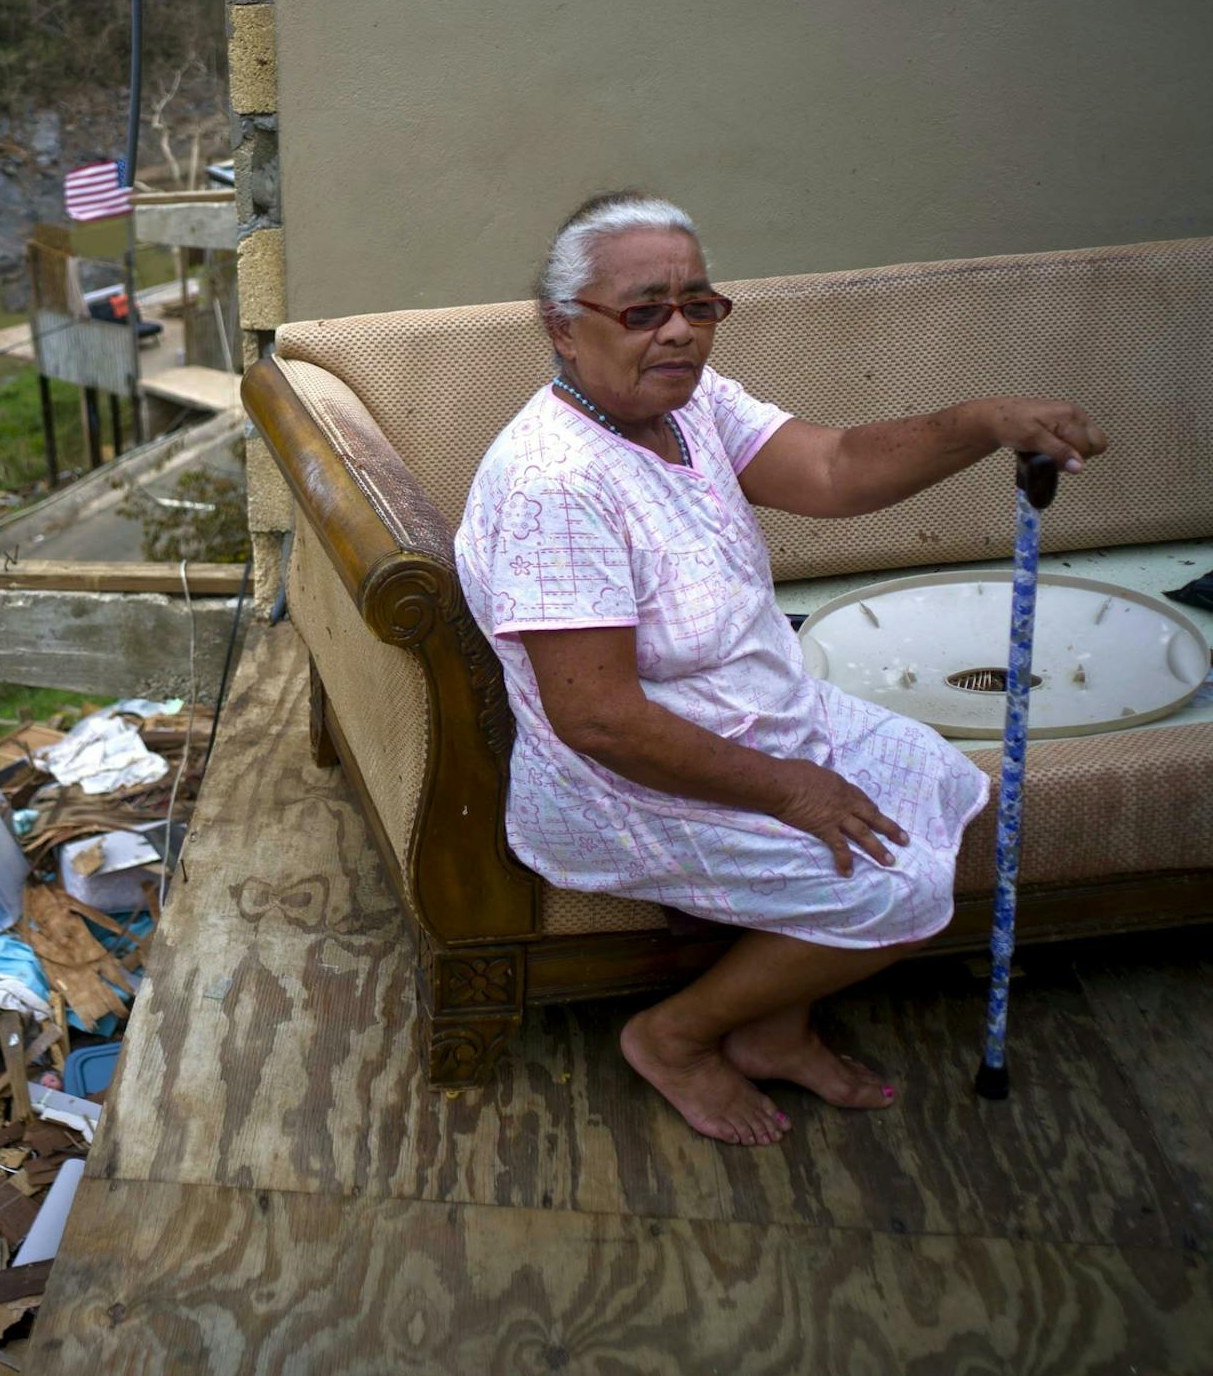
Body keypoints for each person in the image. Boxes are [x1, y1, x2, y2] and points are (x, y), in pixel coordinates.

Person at [454, 192, 1108, 1146]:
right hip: (631, 778)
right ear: (562, 329)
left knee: (939, 785)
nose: (679, 331)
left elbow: (835, 468)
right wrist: (790, 789)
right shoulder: (559, 480)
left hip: (763, 715)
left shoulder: (686, 403)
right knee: (899, 892)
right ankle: (675, 1036)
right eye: (644, 311)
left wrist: (983, 421)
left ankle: (769, 1022)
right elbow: (597, 719)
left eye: (698, 305)